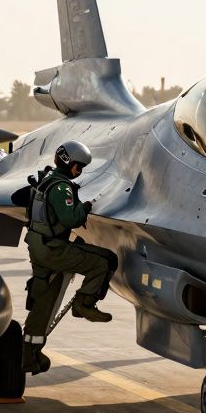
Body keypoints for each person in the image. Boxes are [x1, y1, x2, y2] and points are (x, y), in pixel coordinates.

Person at [21, 140, 119, 375]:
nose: (80, 171)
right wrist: (85, 207)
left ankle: (28, 355)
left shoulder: (46, 180)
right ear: (69, 163)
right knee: (105, 261)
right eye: (79, 166)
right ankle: (84, 304)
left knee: (44, 300)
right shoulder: (61, 188)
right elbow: (71, 219)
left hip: (38, 246)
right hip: (53, 250)